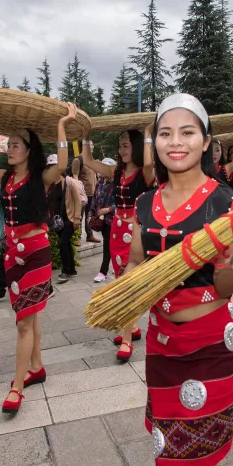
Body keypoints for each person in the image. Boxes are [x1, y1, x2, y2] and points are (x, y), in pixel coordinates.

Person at [130, 93, 233, 466]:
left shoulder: (227, 204)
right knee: (168, 450)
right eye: (165, 133)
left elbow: (224, 286)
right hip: (161, 345)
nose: (175, 142)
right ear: (155, 141)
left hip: (209, 344)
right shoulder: (144, 204)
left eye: (187, 132)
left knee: (198, 454)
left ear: (206, 142)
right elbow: (134, 267)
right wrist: (126, 305)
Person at [0, 104, 77, 414]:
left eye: (14, 145)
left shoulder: (42, 176)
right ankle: (36, 366)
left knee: (23, 322)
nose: (9, 149)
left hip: (35, 254)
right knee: (30, 313)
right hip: (12, 255)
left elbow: (63, 162)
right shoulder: (4, 176)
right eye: (8, 144)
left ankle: (18, 385)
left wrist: (63, 124)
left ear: (28, 150)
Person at [81, 131, 154, 362]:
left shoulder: (146, 172)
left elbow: (150, 160)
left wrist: (148, 135)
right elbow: (89, 162)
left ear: (137, 147)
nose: (122, 151)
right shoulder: (117, 171)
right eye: (120, 146)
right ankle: (131, 327)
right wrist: (85, 138)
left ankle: (126, 339)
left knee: (127, 282)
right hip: (117, 229)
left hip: (137, 229)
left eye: (127, 146)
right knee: (120, 277)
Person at [49, 155, 83, 282]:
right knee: (67, 244)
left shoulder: (69, 182)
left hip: (69, 218)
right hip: (58, 221)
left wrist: (77, 218)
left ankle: (66, 271)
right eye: (50, 167)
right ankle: (72, 269)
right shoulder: (50, 184)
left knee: (62, 243)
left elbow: (78, 201)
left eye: (55, 166)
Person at [92, 157, 117, 283]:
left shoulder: (117, 183)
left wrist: (109, 209)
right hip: (101, 219)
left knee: (107, 245)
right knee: (109, 244)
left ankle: (103, 272)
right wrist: (92, 213)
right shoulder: (100, 182)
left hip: (113, 219)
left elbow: (122, 202)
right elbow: (95, 199)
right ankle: (115, 263)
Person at [75, 152, 100, 243]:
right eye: (90, 143)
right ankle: (77, 237)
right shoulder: (78, 160)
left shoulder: (91, 161)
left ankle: (90, 235)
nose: (92, 146)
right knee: (79, 216)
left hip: (92, 194)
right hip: (82, 194)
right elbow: (75, 177)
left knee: (89, 215)